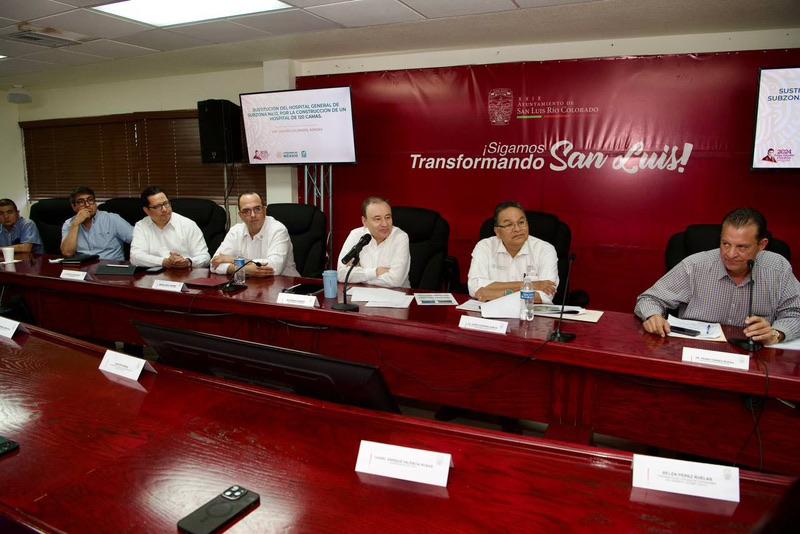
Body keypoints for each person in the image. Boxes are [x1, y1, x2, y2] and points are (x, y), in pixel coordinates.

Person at [635, 208, 800, 344]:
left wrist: (777, 333)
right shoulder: (694, 266)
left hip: (752, 356)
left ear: (761, 245)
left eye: (742, 247)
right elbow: (649, 299)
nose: (730, 254)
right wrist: (653, 316)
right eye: (725, 244)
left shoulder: (778, 268)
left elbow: (796, 312)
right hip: (696, 351)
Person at [467, 201, 558, 302]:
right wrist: (530, 285)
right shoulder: (485, 246)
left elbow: (545, 296)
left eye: (521, 222)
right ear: (497, 232)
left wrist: (495, 293)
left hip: (529, 311)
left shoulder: (545, 250)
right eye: (509, 224)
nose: (517, 229)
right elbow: (474, 287)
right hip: (492, 310)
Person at [211, 192, 299, 277]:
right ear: (240, 215)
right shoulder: (236, 231)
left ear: (264, 210)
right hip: (252, 283)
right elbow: (214, 264)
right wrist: (245, 269)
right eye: (246, 211)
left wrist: (233, 260)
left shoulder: (278, 230)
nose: (253, 215)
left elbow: (274, 267)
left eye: (257, 209)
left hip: (285, 283)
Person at [337, 197, 410, 288]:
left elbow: (395, 280)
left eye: (388, 217)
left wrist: (359, 277)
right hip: (362, 294)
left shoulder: (400, 237)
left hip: (396, 294)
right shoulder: (356, 235)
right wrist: (375, 272)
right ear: (365, 221)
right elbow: (341, 274)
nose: (385, 224)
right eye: (377, 219)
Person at [130, 186, 210, 269]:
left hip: (185, 273)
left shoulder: (188, 225)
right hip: (153, 275)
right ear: (146, 210)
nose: (164, 209)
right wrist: (164, 262)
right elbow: (135, 257)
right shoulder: (141, 226)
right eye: (158, 206)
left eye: (166, 203)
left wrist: (188, 262)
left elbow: (205, 257)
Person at [61, 186, 133, 261]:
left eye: (90, 200)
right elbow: (67, 253)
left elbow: (137, 239)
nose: (87, 205)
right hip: (83, 265)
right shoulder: (69, 224)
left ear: (95, 202)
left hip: (109, 265)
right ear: (74, 206)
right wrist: (75, 225)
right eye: (81, 202)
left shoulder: (112, 219)